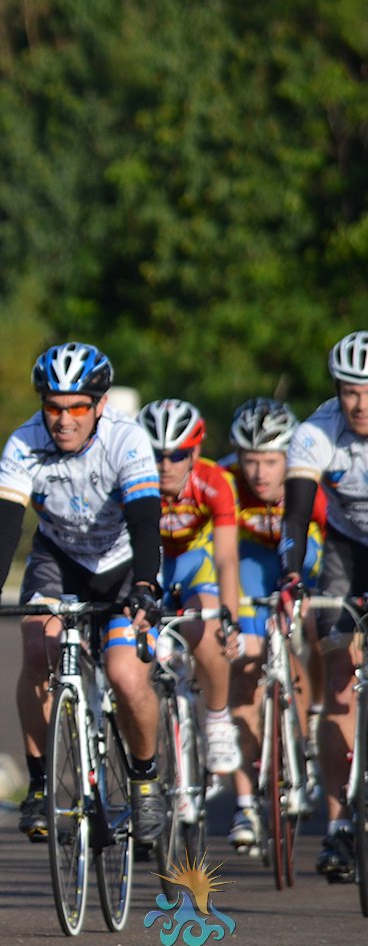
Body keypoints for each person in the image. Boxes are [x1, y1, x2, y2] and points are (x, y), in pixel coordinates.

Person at [0, 343, 168, 847]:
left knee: (125, 674)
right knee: (37, 646)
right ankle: (40, 784)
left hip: (123, 562)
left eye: (77, 407)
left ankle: (145, 779)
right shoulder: (24, 442)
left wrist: (145, 585)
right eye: (53, 407)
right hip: (59, 558)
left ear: (99, 405)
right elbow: (4, 524)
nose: (64, 420)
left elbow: (146, 520)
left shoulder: (126, 439)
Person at [281, 330, 368, 882]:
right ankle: (338, 825)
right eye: (350, 391)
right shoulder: (315, 432)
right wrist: (291, 574)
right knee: (338, 678)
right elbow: (294, 516)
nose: (360, 404)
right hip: (345, 547)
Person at [222, 397, 325, 851]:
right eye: (250, 460)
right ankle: (245, 803)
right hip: (251, 559)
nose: (259, 473)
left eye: (270, 461)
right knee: (245, 666)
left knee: (315, 623)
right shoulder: (226, 481)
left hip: (303, 552)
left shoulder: (310, 479)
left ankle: (314, 715)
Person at [137, 399, 244, 776]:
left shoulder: (215, 482)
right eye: (156, 455)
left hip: (195, 564)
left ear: (195, 453)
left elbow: (227, 559)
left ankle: (217, 717)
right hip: (151, 565)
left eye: (177, 455)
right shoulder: (132, 479)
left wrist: (231, 620)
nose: (165, 465)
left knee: (209, 630)